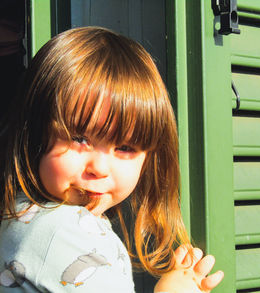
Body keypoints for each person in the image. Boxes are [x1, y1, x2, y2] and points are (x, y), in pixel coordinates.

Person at [0, 27, 224, 292]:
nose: (100, 168)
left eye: (126, 147)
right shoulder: (62, 232)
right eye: (79, 138)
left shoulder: (26, 213)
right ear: (34, 132)